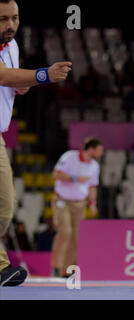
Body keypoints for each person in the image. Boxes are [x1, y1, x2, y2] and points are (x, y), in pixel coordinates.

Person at [0, 0, 72, 287]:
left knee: (5, 206)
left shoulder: (13, 46)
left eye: (15, 18)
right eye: (3, 19)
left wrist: (23, 85)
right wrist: (44, 75)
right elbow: (3, 75)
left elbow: (12, 82)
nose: (10, 25)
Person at [50, 137, 103, 277]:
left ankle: (66, 270)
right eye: (99, 150)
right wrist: (74, 179)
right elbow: (55, 174)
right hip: (63, 201)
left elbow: (92, 186)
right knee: (65, 231)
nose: (101, 153)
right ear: (91, 149)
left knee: (75, 236)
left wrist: (93, 203)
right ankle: (56, 265)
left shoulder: (94, 166)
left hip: (79, 204)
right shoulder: (69, 157)